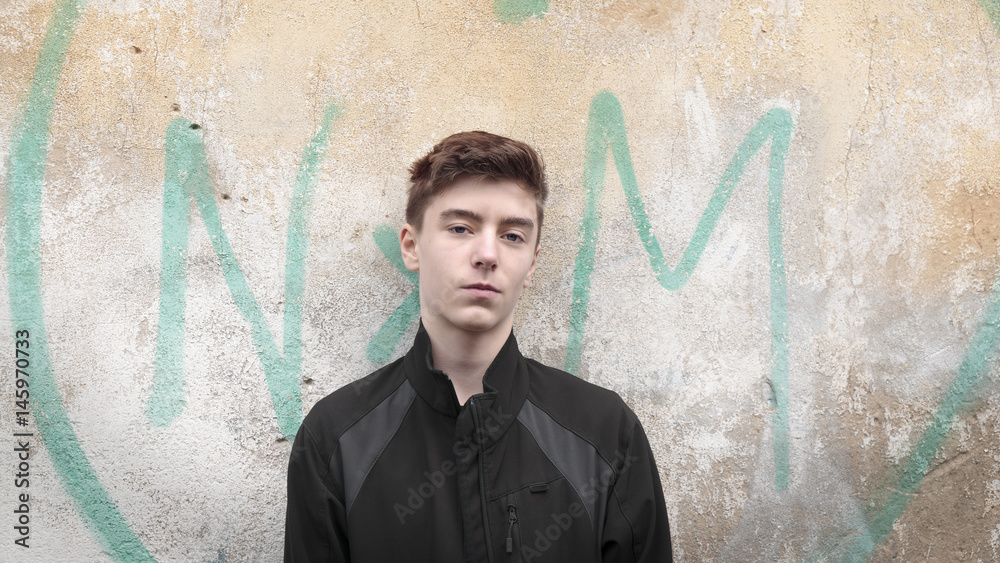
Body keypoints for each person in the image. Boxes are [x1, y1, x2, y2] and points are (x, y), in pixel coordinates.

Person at [284, 131, 672, 562]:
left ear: (531, 263)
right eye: (460, 228)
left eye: (512, 236)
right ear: (411, 246)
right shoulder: (335, 440)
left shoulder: (605, 430)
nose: (487, 254)